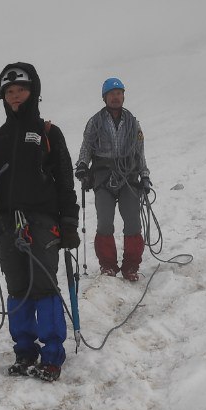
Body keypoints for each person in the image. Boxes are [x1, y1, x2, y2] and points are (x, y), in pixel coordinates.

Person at [0, 62, 79, 382]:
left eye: (20, 90)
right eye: (9, 92)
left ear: (34, 92)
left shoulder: (49, 133)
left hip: (42, 221)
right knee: (18, 288)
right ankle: (24, 351)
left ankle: (51, 356)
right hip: (5, 224)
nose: (15, 97)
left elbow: (65, 181)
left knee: (44, 286)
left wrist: (70, 223)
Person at [75, 76, 151, 281]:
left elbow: (139, 152)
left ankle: (131, 266)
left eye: (119, 94)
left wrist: (144, 176)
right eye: (111, 94)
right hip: (103, 176)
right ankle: (108, 265)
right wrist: (82, 165)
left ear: (124, 96)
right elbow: (87, 146)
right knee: (105, 222)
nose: (116, 97)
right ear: (105, 98)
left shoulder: (133, 123)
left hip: (128, 176)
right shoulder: (95, 122)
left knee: (133, 222)